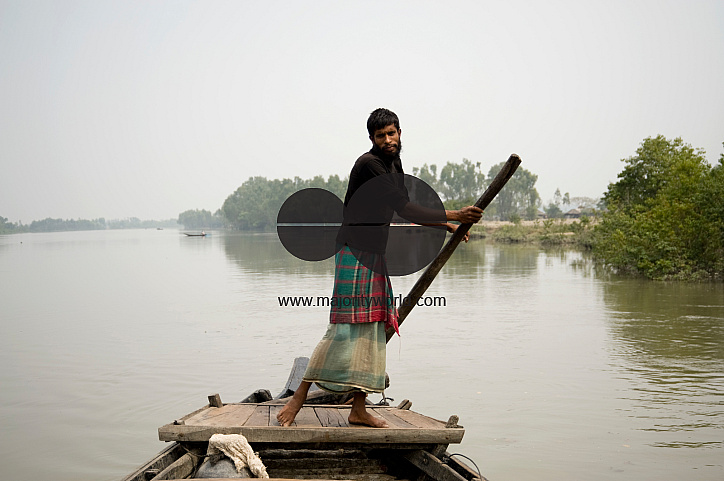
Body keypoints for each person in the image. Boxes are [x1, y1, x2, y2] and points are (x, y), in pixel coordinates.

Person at [277, 108, 483, 428]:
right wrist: (456, 215)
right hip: (353, 252)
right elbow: (404, 207)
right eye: (381, 136)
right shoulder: (369, 165)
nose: (388, 140)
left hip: (374, 254)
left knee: (375, 328)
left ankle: (358, 410)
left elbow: (403, 211)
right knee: (344, 328)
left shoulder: (394, 162)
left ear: (400, 132)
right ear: (371, 139)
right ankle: (298, 398)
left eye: (392, 133)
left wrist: (444, 223)